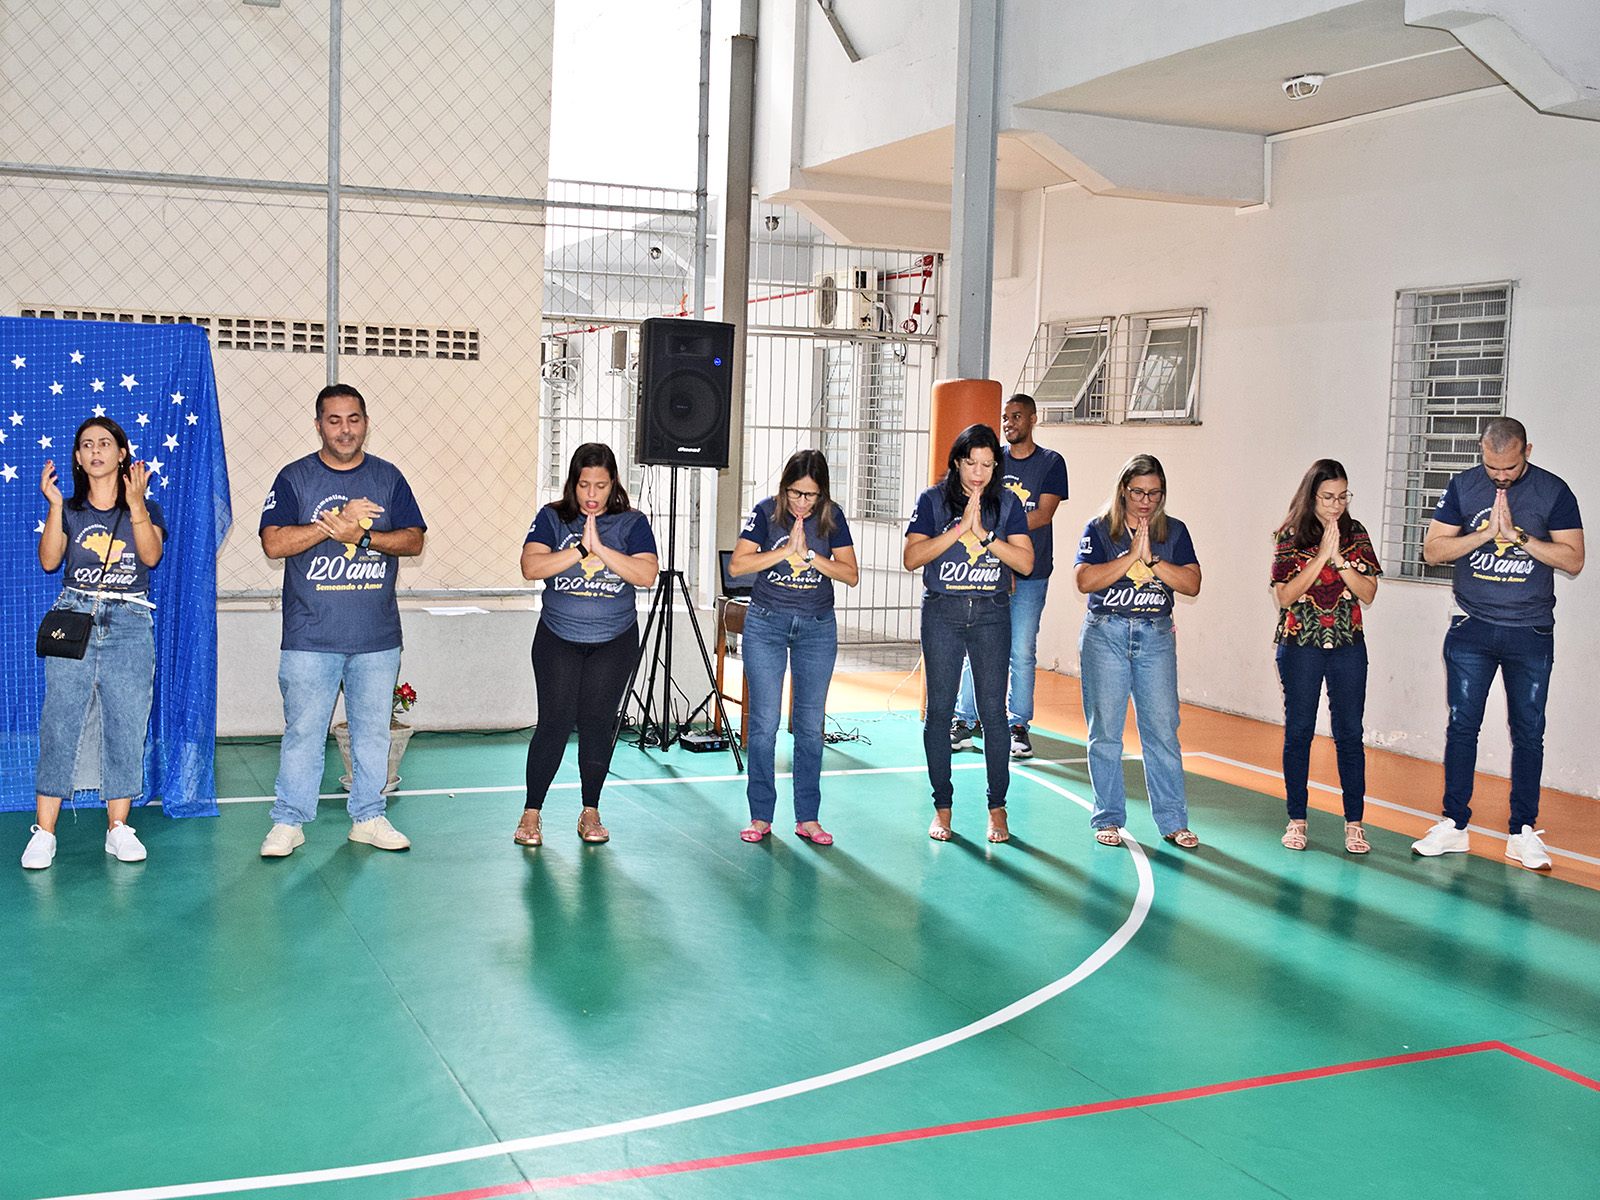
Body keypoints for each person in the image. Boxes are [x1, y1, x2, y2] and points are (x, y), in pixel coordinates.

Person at [258, 384, 426, 858]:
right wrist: (332, 526)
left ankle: (369, 817)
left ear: (366, 423)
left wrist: (363, 537)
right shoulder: (295, 478)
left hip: (376, 637)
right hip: (310, 637)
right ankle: (288, 822)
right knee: (303, 734)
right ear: (318, 425)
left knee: (372, 733)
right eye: (334, 420)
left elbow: (414, 540)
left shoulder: (388, 477)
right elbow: (274, 543)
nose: (345, 429)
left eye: (353, 419)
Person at [1412, 418, 1583, 871]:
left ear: (1528, 450)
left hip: (1530, 632)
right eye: (1492, 467)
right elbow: (1433, 551)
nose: (1501, 476)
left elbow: (1574, 559)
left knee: (1528, 732)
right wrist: (1485, 534)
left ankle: (1522, 831)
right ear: (1481, 453)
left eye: (1509, 467)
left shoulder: (1554, 492)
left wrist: (1519, 537)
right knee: (1461, 727)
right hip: (1472, 628)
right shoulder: (1464, 487)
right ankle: (1454, 824)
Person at [22, 418, 165, 869]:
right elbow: (49, 561)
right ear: (78, 458)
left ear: (122, 454)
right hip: (75, 617)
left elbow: (151, 556)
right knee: (60, 720)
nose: (96, 451)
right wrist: (53, 506)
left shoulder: (147, 506)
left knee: (126, 720)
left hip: (130, 621)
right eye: (87, 445)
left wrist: (136, 505)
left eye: (105, 443)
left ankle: (118, 827)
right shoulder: (69, 509)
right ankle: (44, 832)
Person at [517, 443, 658, 846]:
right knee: (554, 723)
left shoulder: (632, 523)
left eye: (600, 485)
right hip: (558, 638)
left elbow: (646, 574)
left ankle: (591, 811)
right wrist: (580, 549)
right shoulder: (552, 517)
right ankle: (531, 814)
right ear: (573, 484)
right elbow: (531, 566)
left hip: (614, 641)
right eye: (584, 485)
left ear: (613, 484)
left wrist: (602, 549)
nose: (592, 494)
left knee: (598, 723)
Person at [904, 424, 1033, 843]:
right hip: (943, 612)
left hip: (992, 614)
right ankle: (942, 807)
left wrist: (986, 536)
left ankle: (997, 808)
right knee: (940, 711)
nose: (979, 473)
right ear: (957, 462)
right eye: (972, 463)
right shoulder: (932, 500)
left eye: (988, 465)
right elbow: (912, 557)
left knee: (993, 713)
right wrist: (959, 530)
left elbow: (1025, 563)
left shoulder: (1007, 503)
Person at [729, 449, 859, 845]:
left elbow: (850, 574)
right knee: (763, 724)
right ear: (784, 487)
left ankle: (808, 817)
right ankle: (760, 816)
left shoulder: (832, 517)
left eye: (810, 495)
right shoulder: (766, 513)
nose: (801, 502)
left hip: (816, 629)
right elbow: (738, 565)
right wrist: (785, 552)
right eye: (795, 493)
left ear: (822, 494)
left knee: (809, 727)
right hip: (766, 624)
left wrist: (811, 557)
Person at [1074, 453, 1202, 849]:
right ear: (1123, 491)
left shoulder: (1174, 531)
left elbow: (1192, 583)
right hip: (1106, 634)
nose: (1146, 501)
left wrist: (1152, 559)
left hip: (1156, 637)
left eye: (1154, 493)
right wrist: (1131, 557)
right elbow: (1085, 580)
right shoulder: (1100, 529)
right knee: (1106, 733)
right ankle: (1108, 817)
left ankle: (1173, 821)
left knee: (1162, 731)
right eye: (1138, 492)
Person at [1271, 460, 1381, 854]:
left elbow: (1368, 593)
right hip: (1300, 646)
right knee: (1299, 732)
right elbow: (1285, 595)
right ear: (1311, 496)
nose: (1336, 505)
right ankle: (1296, 820)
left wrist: (1340, 560)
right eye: (1328, 497)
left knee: (1349, 734)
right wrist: (1320, 557)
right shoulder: (1289, 535)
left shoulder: (1357, 533)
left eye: (1342, 496)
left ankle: (1354, 823)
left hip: (1348, 645)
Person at [952, 393, 1068, 761]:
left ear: (1033, 419)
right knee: (976, 646)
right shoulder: (993, 461)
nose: (1008, 423)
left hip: (1031, 573)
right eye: (1005, 417)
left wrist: (1001, 538)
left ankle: (1018, 725)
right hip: (989, 571)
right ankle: (964, 719)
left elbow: (1043, 514)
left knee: (1020, 650)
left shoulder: (1051, 463)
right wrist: (999, 553)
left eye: (1016, 416)